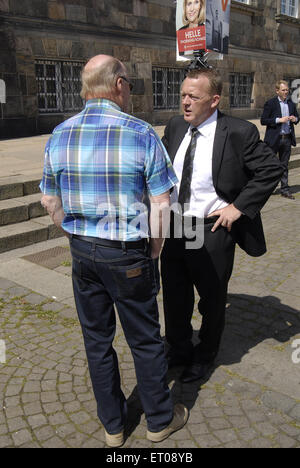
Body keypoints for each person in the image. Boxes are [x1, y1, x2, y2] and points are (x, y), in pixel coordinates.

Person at [40, 54, 189, 447]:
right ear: (119, 84)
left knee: (96, 340)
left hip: (83, 252)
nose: (131, 90)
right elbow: (162, 204)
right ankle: (159, 419)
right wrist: (154, 249)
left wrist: (74, 234)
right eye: (130, 83)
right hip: (127, 252)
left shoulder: (60, 133)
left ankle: (113, 426)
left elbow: (49, 201)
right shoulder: (140, 133)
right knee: (144, 338)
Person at [161, 68, 283, 384]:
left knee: (212, 299)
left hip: (211, 229)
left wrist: (238, 207)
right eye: (183, 95)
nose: (185, 103)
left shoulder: (239, 132)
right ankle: (178, 349)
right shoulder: (175, 126)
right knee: (175, 296)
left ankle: (205, 355)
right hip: (176, 226)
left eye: (194, 97)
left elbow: (270, 170)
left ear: (214, 100)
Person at [261, 80, 299, 200]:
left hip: (286, 139)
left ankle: (285, 190)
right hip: (273, 139)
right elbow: (263, 120)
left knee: (284, 165)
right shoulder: (270, 103)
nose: (286, 92)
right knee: (270, 165)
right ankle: (265, 189)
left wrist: (294, 119)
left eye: (287, 90)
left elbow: (298, 118)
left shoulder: (291, 103)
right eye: (283, 90)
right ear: (277, 91)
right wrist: (278, 120)